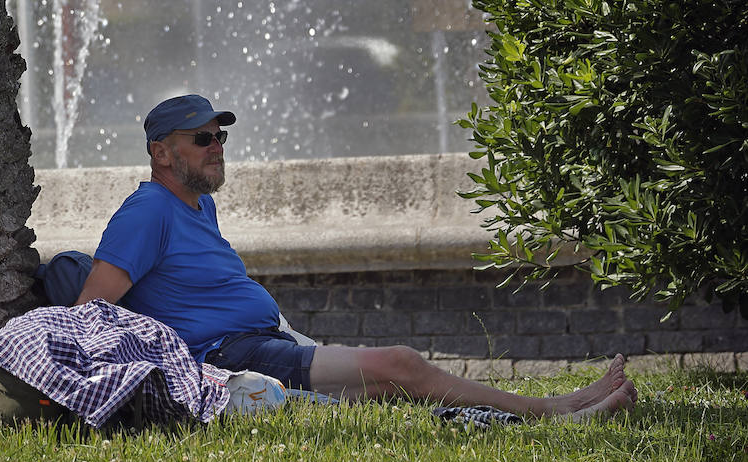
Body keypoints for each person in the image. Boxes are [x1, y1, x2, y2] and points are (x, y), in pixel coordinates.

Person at [73, 94, 637, 421]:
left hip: (264, 343)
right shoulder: (147, 211)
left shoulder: (195, 207)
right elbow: (89, 314)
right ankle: (555, 411)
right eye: (202, 139)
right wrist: (186, 378)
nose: (217, 146)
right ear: (161, 151)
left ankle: (545, 407)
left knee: (394, 384)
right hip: (229, 358)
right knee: (400, 365)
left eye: (221, 136)